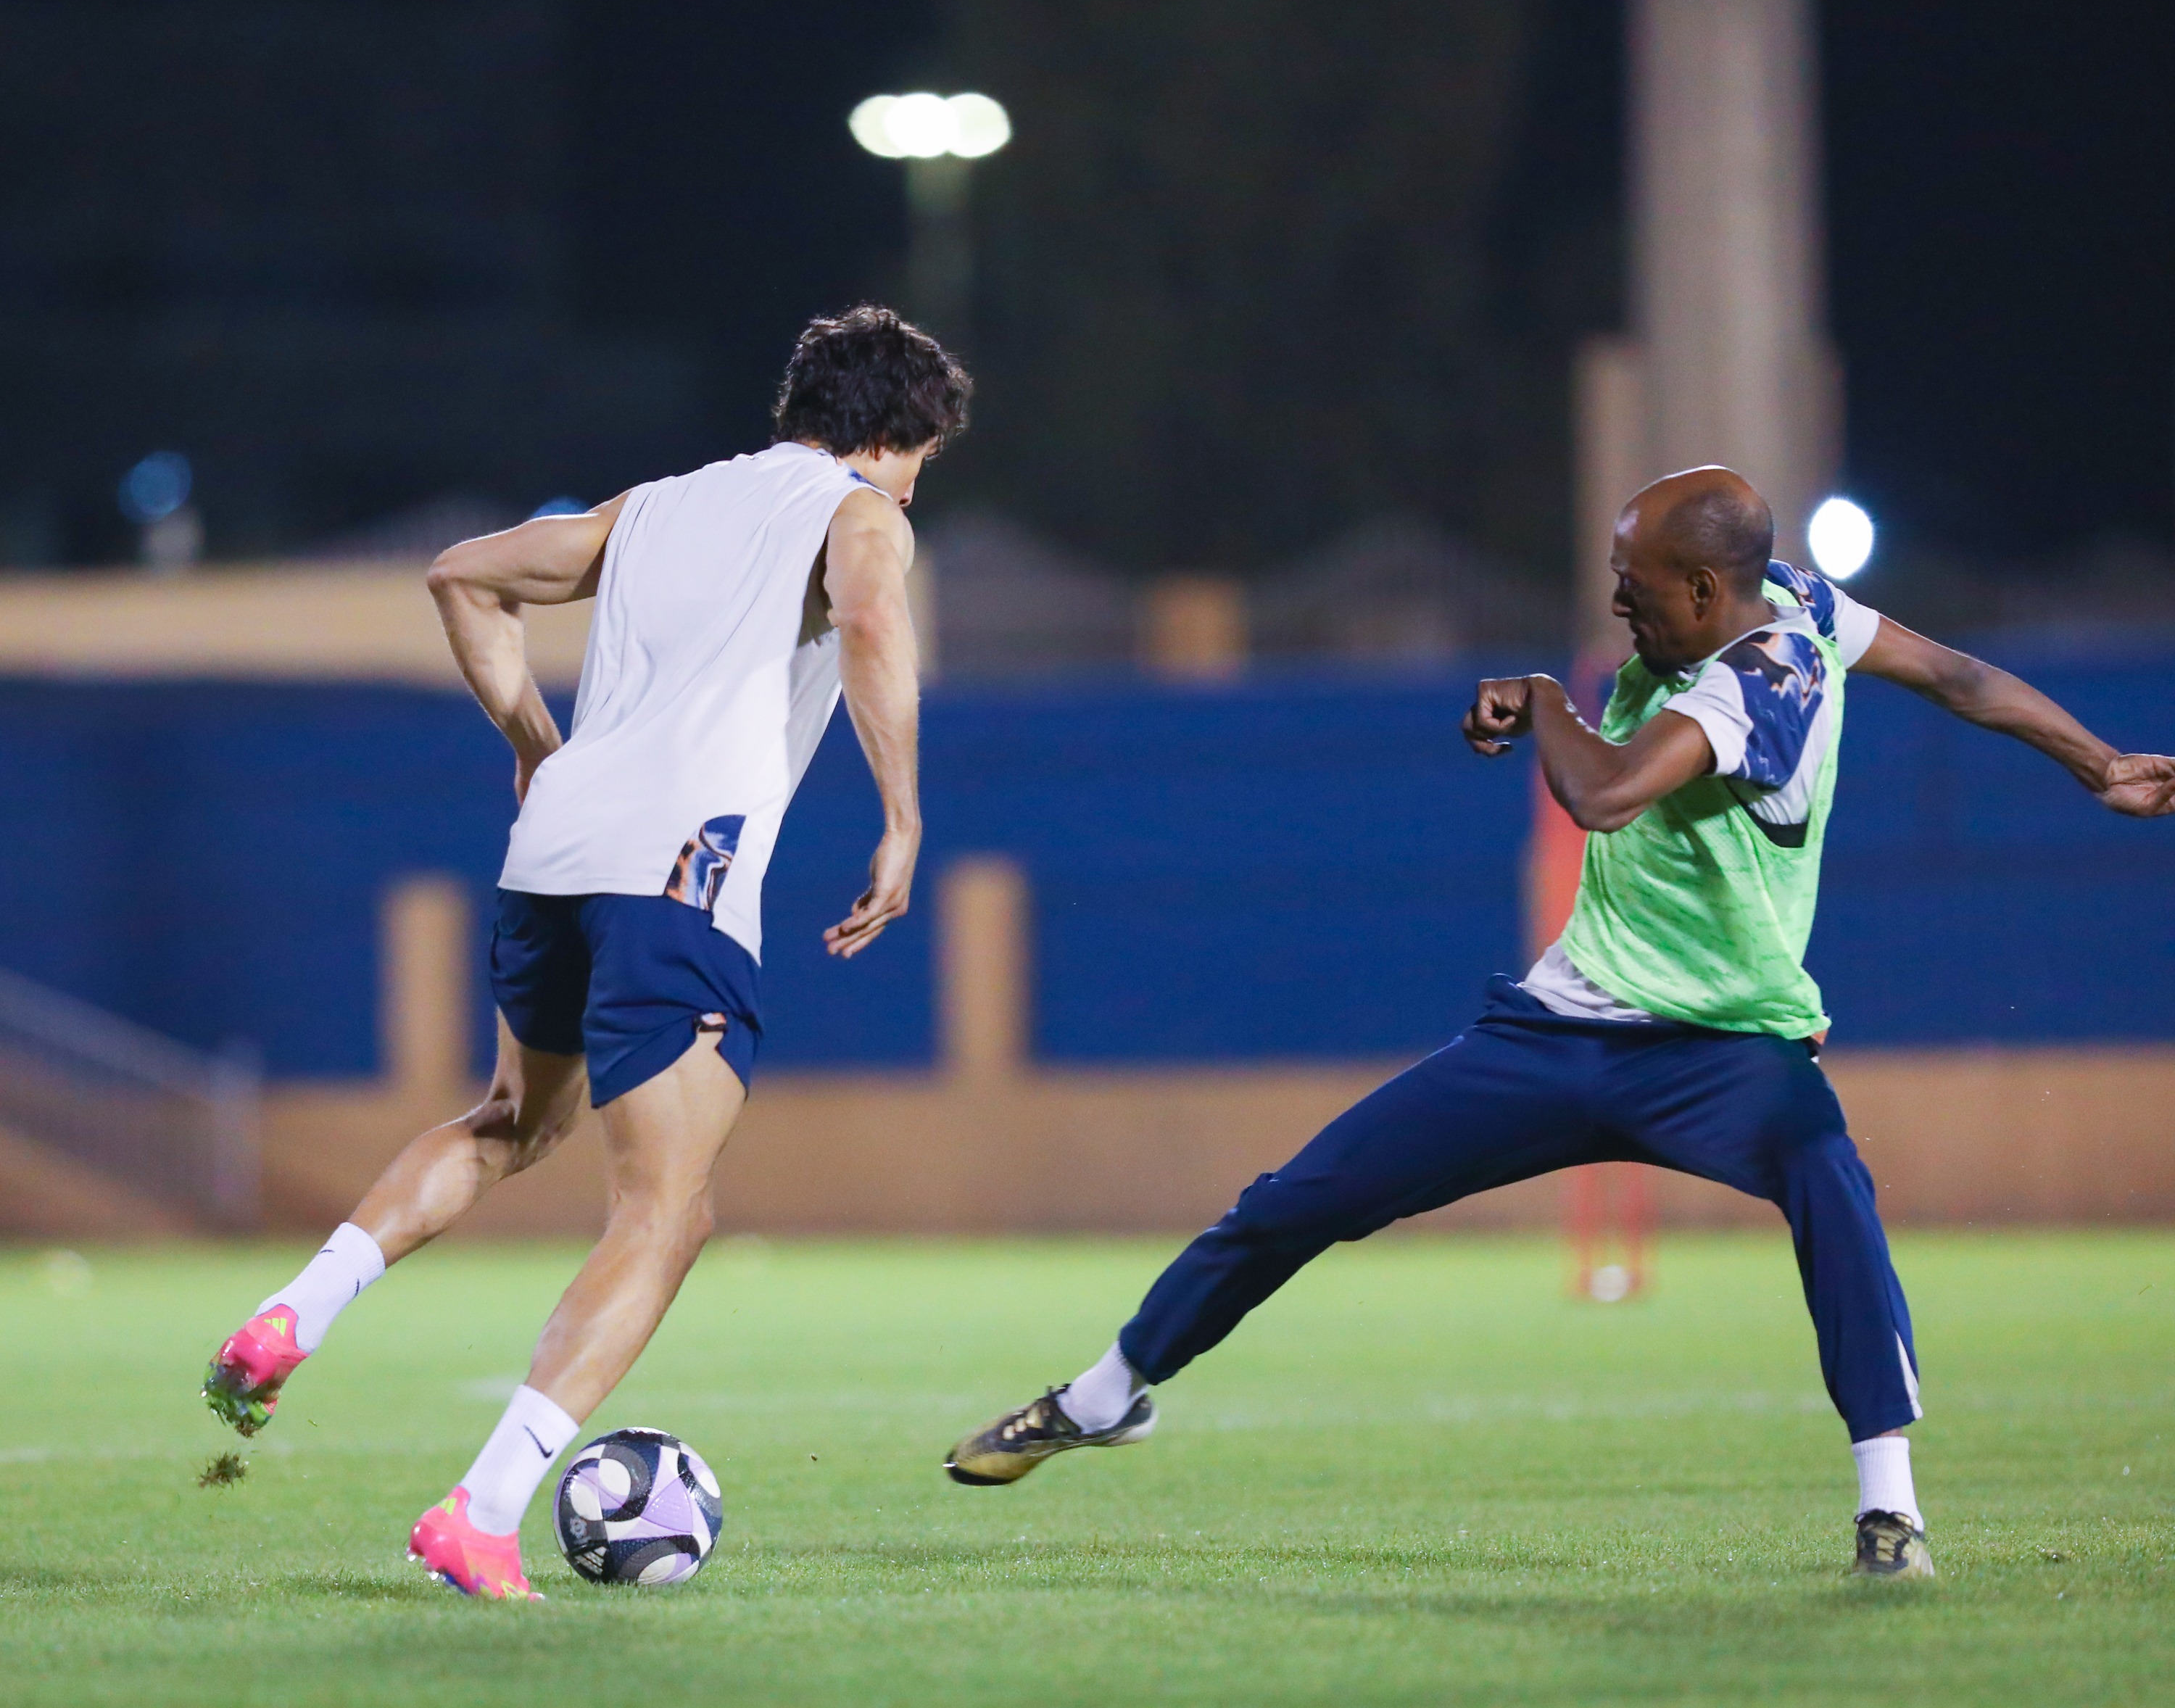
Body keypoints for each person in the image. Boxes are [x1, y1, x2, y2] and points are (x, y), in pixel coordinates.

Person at [944, 465, 2175, 1579]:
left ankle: (1889, 1509)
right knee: (1301, 1197)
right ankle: (1105, 1397)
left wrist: (1542, 697)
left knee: (1829, 1183)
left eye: (1637, 582)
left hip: (1724, 1053)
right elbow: (1959, 675)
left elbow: (1608, 793)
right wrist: (2098, 762)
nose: (1617, 600)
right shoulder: (1796, 596)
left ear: (1707, 588)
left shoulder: (1759, 679)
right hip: (1559, 1034)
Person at [204, 304, 968, 1599]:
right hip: (681, 870)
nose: (912, 489)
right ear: (892, 438)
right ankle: (482, 1512)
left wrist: (532, 748)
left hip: (552, 849)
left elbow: (462, 576)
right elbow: (871, 621)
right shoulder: (861, 513)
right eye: (921, 461)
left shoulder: (653, 507)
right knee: (667, 1211)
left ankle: (296, 1313)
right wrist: (901, 819)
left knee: (512, 1120)